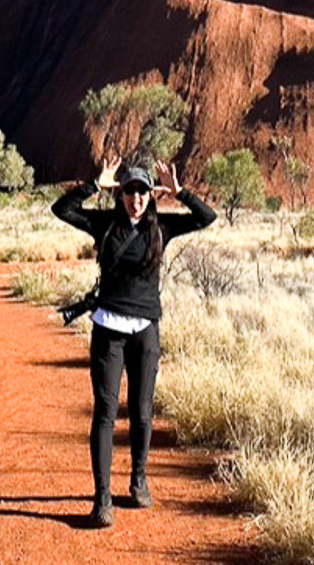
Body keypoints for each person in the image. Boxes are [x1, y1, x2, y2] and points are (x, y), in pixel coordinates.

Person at [52, 154, 216, 528]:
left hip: (145, 331)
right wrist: (95, 183)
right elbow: (61, 209)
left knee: (142, 410)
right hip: (108, 328)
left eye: (143, 191)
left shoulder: (162, 228)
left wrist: (180, 192)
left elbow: (207, 219)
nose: (136, 198)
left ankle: (139, 481)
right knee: (106, 413)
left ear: (151, 195)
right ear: (120, 193)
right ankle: (102, 500)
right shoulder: (105, 224)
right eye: (129, 191)